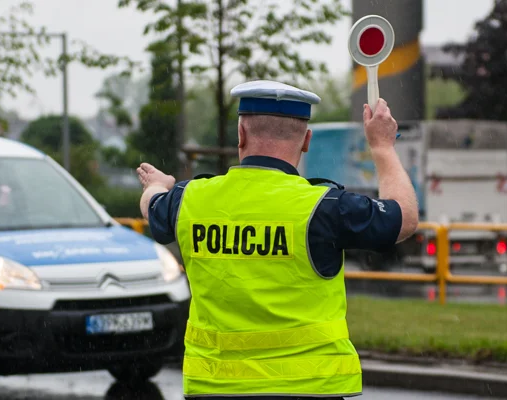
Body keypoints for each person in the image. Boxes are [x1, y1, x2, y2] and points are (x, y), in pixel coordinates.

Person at [137, 80, 418, 399]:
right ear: (306, 141)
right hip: (309, 389)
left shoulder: (189, 199)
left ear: (241, 135)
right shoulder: (325, 207)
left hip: (216, 388)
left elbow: (153, 206)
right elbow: (404, 218)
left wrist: (158, 185)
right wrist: (383, 148)